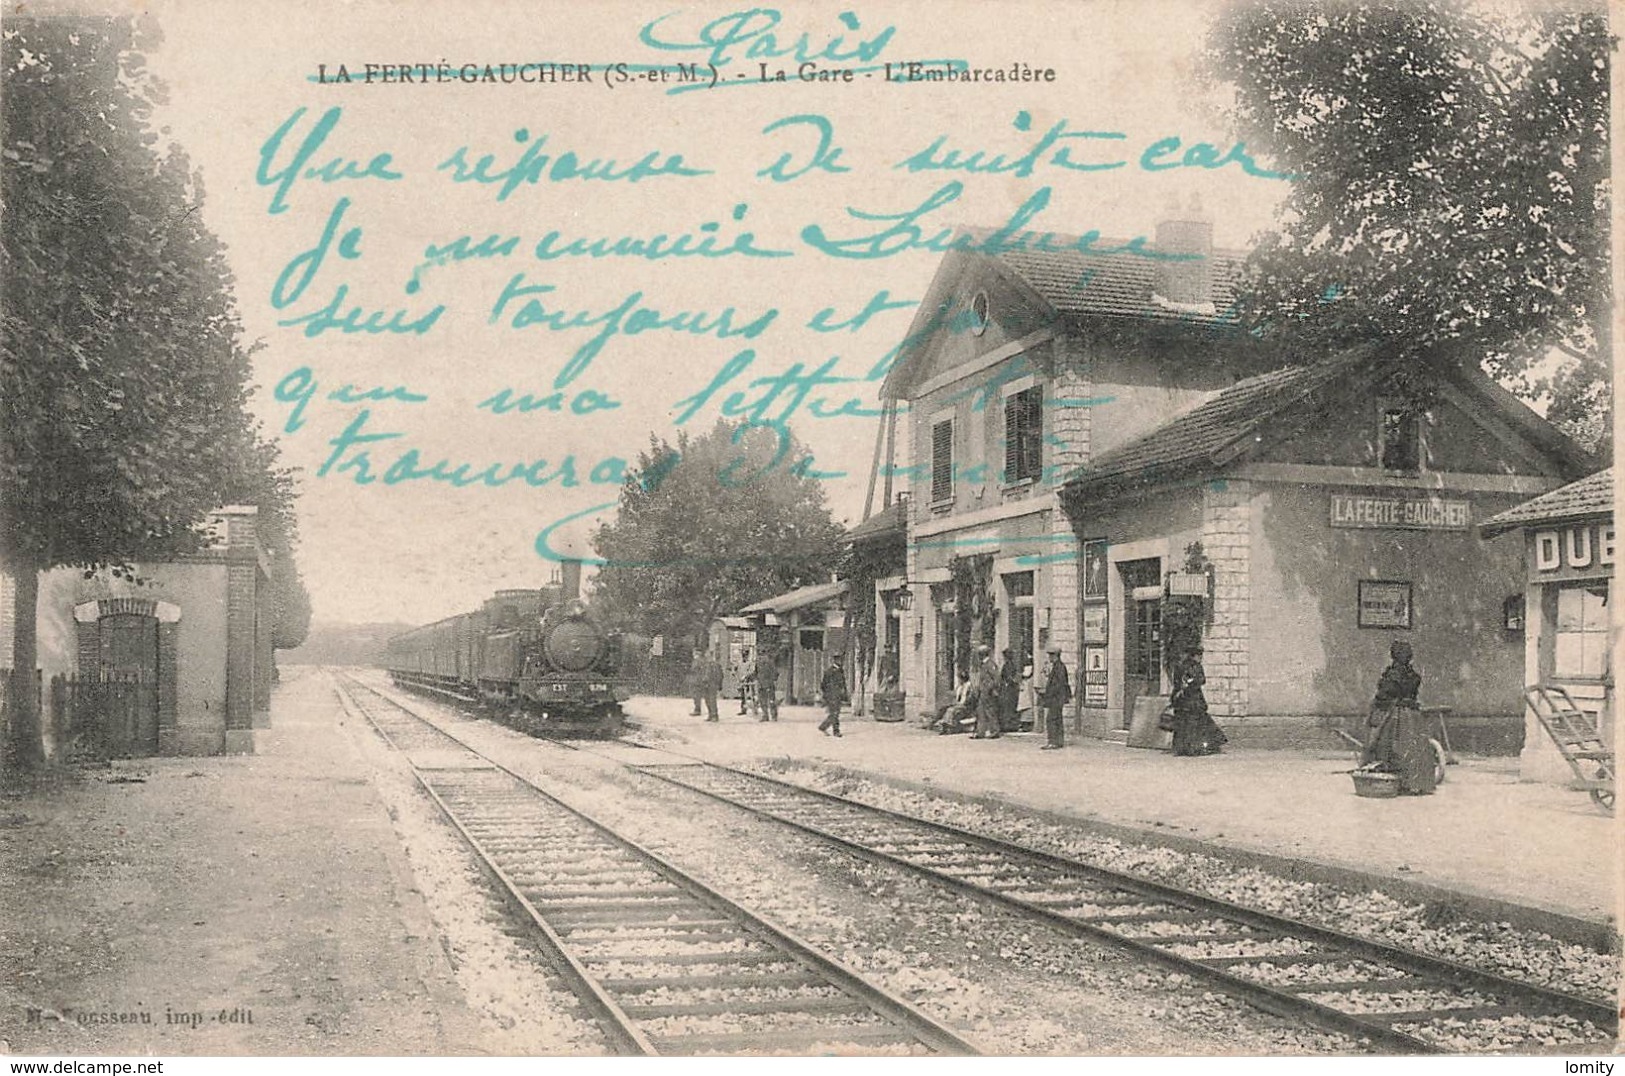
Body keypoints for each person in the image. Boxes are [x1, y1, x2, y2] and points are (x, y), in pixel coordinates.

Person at [1362, 640, 1435, 795]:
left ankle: (1393, 779)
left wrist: (1380, 701)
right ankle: (1413, 782)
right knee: (1414, 748)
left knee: (1387, 744)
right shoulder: (1414, 676)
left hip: (1395, 715)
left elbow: (1384, 695)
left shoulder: (1391, 676)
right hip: (1413, 716)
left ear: (1393, 656)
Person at [1169, 649, 1226, 756]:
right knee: (1198, 724)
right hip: (1194, 700)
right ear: (1194, 656)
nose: (1200, 658)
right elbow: (1201, 680)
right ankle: (1197, 748)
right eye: (1199, 656)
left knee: (1183, 725)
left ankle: (1181, 749)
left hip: (1182, 700)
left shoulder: (1179, 666)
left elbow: (1176, 683)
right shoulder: (1196, 666)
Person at [1038, 647, 1071, 750]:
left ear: (1055, 656)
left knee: (1051, 719)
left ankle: (1053, 742)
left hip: (1056, 698)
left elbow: (1059, 684)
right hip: (1057, 698)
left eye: (1051, 655)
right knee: (1057, 719)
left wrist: (1048, 693)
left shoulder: (1059, 667)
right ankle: (1058, 741)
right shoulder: (1058, 666)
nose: (1049, 657)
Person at [971, 644, 1002, 739]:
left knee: (990, 712)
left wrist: (989, 688)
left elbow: (996, 679)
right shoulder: (983, 664)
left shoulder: (990, 664)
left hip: (989, 692)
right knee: (981, 712)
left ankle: (994, 731)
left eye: (980, 654)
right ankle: (981, 732)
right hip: (983, 692)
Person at [818, 655, 848, 737]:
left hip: (837, 696)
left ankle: (824, 727)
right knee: (835, 714)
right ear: (836, 661)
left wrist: (844, 694)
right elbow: (823, 685)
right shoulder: (829, 672)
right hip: (831, 696)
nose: (842, 662)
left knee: (835, 714)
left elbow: (843, 684)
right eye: (840, 661)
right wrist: (826, 695)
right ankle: (835, 731)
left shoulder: (840, 671)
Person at [699, 649, 724, 722]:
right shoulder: (705, 664)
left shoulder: (715, 664)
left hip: (712, 684)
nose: (706, 656)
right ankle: (710, 714)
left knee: (712, 700)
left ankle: (714, 715)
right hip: (706, 684)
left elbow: (719, 675)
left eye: (708, 655)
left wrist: (719, 684)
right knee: (707, 700)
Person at [756, 647, 779, 722]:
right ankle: (768, 715)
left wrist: (772, 680)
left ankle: (771, 715)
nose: (762, 657)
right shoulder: (759, 663)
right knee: (765, 701)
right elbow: (756, 673)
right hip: (763, 684)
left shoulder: (768, 662)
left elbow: (775, 673)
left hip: (766, 684)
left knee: (769, 700)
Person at [737, 648, 755, 716]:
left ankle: (754, 709)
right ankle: (743, 709)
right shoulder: (740, 663)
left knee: (750, 695)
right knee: (743, 696)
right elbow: (738, 670)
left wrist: (746, 676)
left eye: (745, 655)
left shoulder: (750, 663)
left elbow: (751, 671)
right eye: (743, 655)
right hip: (741, 681)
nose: (744, 657)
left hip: (748, 681)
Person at [688, 651, 705, 717]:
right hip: (697, 680)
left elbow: (694, 670)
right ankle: (697, 709)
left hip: (697, 680)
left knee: (696, 695)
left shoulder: (697, 661)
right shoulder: (701, 661)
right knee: (696, 695)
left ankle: (697, 710)